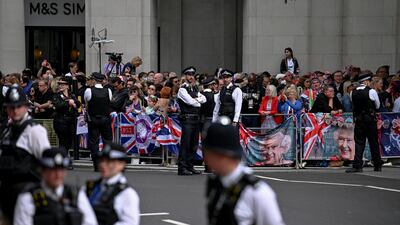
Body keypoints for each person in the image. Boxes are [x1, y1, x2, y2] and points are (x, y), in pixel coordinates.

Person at [202, 117, 285, 225]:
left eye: (208, 152)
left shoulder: (257, 192)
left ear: (220, 155)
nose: (206, 157)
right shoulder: (216, 183)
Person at [0, 86, 51, 224]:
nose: (15, 110)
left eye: (19, 106)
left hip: (28, 196)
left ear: (25, 107)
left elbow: (47, 163)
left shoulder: (35, 131)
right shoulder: (7, 130)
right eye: (11, 107)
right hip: (7, 194)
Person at [13, 148, 98, 225]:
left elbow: (90, 222)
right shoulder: (28, 198)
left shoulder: (76, 195)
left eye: (61, 169)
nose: (58, 174)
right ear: (42, 170)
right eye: (53, 170)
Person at [85, 142, 140, 225]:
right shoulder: (90, 187)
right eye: (102, 160)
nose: (103, 165)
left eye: (109, 161)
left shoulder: (127, 194)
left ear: (121, 164)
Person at [346, 72, 383, 173]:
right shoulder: (371, 91)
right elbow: (377, 106)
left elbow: (353, 105)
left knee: (359, 143)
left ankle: (357, 165)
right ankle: (377, 165)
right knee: (373, 142)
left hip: (359, 120)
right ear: (366, 81)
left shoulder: (352, 92)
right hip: (370, 120)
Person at [177, 66, 206, 175]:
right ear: (185, 76)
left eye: (192, 75)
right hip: (187, 118)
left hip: (195, 119)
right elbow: (191, 102)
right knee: (186, 144)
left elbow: (204, 99)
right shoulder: (182, 89)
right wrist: (197, 100)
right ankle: (182, 167)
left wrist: (196, 100)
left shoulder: (194, 89)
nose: (191, 77)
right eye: (189, 75)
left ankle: (189, 166)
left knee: (193, 144)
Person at [84, 72, 113, 171]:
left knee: (94, 142)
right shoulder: (108, 90)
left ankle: (96, 165)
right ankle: (106, 163)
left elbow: (86, 102)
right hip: (105, 118)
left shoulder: (89, 90)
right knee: (107, 141)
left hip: (93, 119)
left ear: (94, 80)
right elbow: (109, 102)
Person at [52, 77, 81, 152]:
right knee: (63, 141)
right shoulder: (57, 95)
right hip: (60, 121)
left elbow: (78, 103)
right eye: (60, 84)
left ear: (68, 86)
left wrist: (74, 104)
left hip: (70, 121)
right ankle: (62, 157)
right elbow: (58, 105)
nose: (61, 86)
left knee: (69, 140)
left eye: (63, 84)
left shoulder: (72, 95)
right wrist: (68, 103)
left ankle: (64, 155)